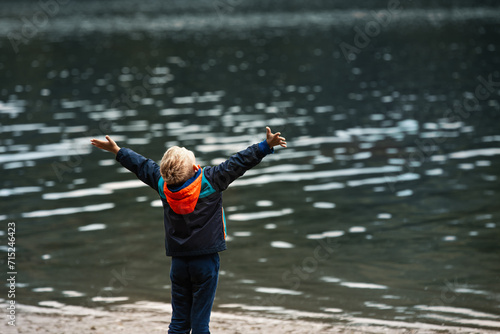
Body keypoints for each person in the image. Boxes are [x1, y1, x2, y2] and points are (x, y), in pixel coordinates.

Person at [90, 127, 287, 334]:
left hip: (179, 263)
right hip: (205, 262)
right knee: (200, 324)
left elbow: (142, 166)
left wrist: (118, 151)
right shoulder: (211, 180)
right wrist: (265, 146)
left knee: (179, 323)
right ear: (195, 167)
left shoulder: (163, 186)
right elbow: (238, 162)